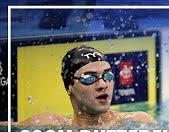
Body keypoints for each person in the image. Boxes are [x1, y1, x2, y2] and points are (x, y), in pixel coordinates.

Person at [18, 45, 156, 127]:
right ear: (69, 87)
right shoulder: (49, 124)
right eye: (89, 78)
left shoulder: (137, 122)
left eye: (107, 76)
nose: (102, 85)